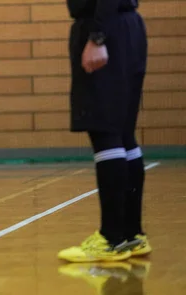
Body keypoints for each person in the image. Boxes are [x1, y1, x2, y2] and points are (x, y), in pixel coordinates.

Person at [57, 0, 151, 262]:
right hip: (125, 28)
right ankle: (131, 234)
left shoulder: (102, 30)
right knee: (123, 134)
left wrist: (97, 37)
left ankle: (111, 238)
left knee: (106, 132)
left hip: (107, 29)